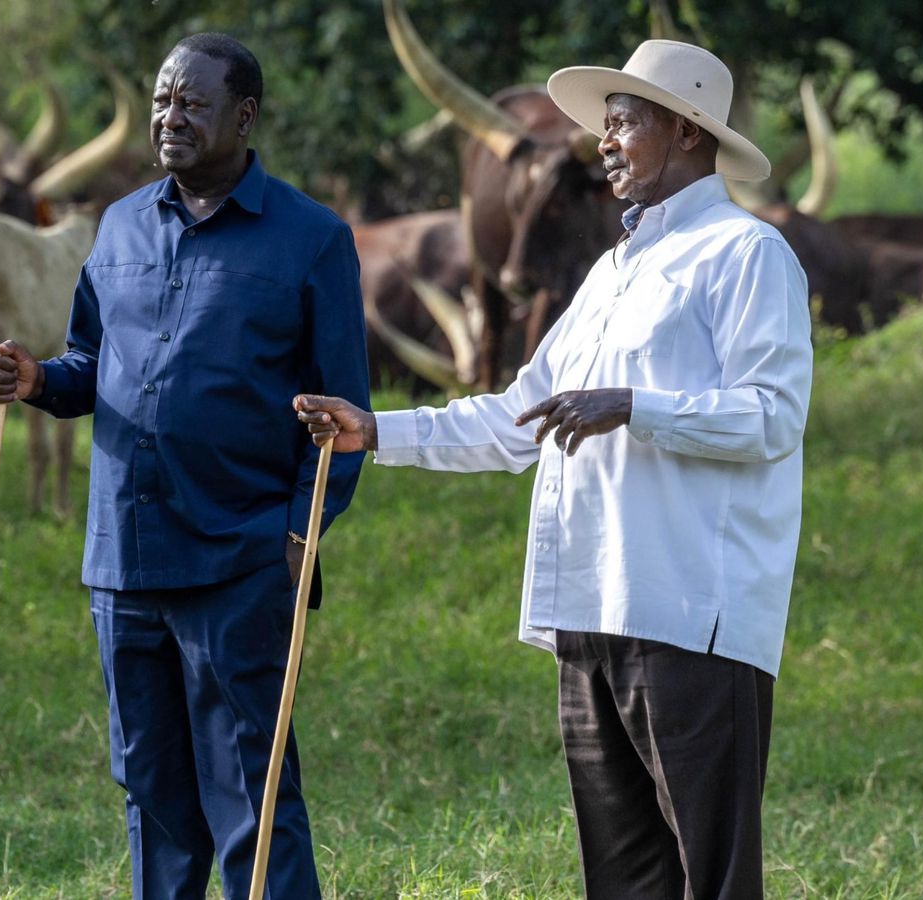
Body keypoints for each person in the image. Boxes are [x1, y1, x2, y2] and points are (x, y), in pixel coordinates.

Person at [297, 40, 811, 899]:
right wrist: (374, 431)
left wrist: (636, 406)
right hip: (590, 610)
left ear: (686, 132)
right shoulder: (612, 271)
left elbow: (773, 417)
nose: (603, 143)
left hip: (691, 617)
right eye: (606, 126)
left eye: (622, 123)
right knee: (621, 879)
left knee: (713, 878)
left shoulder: (746, 255)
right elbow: (515, 419)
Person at [0, 33, 369, 899]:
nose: (170, 116)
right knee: (150, 789)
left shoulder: (312, 240)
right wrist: (39, 378)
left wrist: (299, 535)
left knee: (251, 793)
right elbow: (92, 363)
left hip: (241, 556)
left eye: (192, 102)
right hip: (124, 557)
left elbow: (344, 412)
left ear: (245, 115)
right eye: (163, 100)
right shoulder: (120, 225)